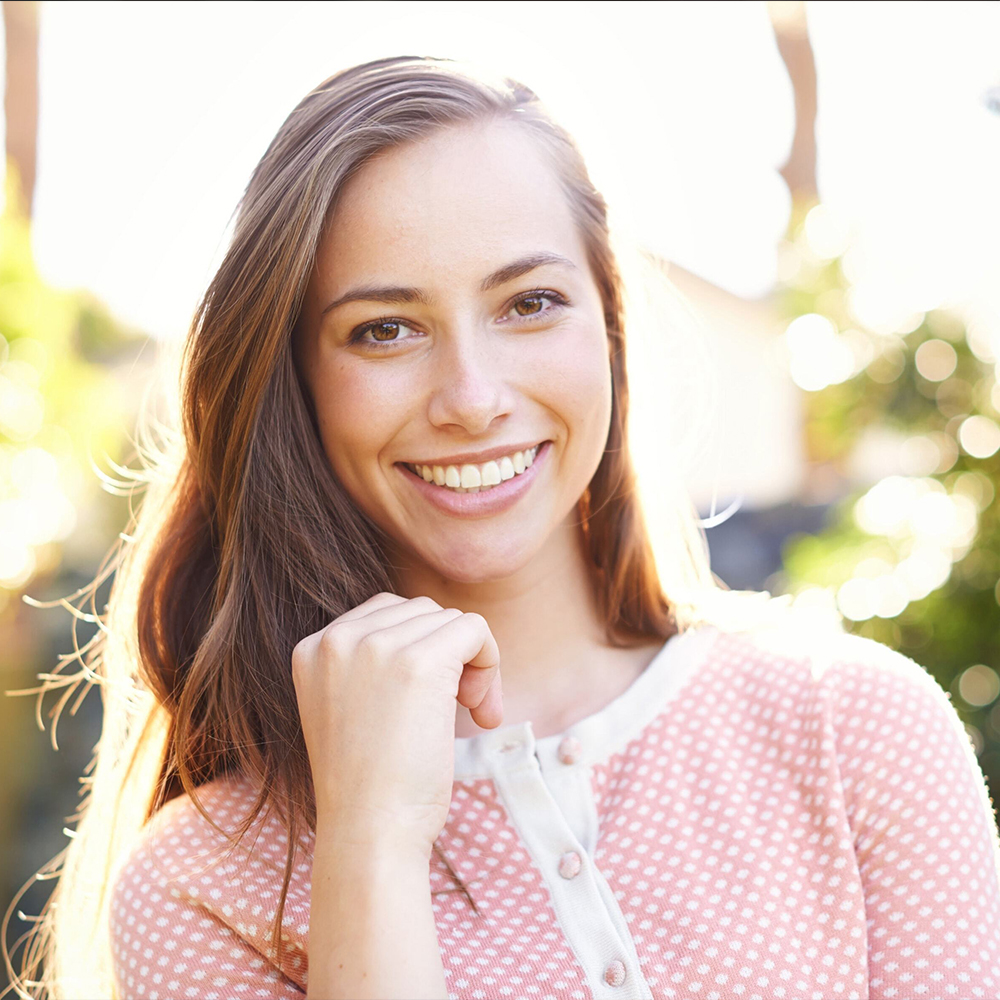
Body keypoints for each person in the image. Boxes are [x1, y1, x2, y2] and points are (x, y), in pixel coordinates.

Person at [6, 54, 1000, 1000]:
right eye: (384, 329)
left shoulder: (851, 726)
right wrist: (372, 841)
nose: (473, 399)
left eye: (530, 303)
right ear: (295, 384)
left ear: (607, 329)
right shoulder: (202, 886)